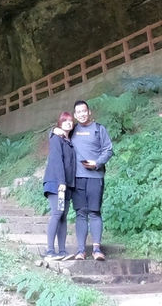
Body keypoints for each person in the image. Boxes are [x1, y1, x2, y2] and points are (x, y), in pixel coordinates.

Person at [70, 100, 113, 261]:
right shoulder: (72, 130)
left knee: (94, 212)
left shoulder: (99, 129)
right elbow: (57, 136)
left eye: (84, 111)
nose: (81, 114)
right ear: (75, 115)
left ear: (89, 112)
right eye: (78, 112)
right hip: (77, 178)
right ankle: (81, 250)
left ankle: (96, 249)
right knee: (80, 213)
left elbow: (108, 149)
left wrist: (97, 163)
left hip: (95, 177)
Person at [42, 111, 76, 261]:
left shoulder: (69, 140)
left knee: (63, 216)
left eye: (70, 121)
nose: (68, 123)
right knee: (57, 213)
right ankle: (50, 251)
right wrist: (61, 183)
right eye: (65, 121)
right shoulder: (57, 138)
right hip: (56, 183)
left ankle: (62, 251)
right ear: (60, 124)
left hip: (66, 185)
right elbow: (56, 161)